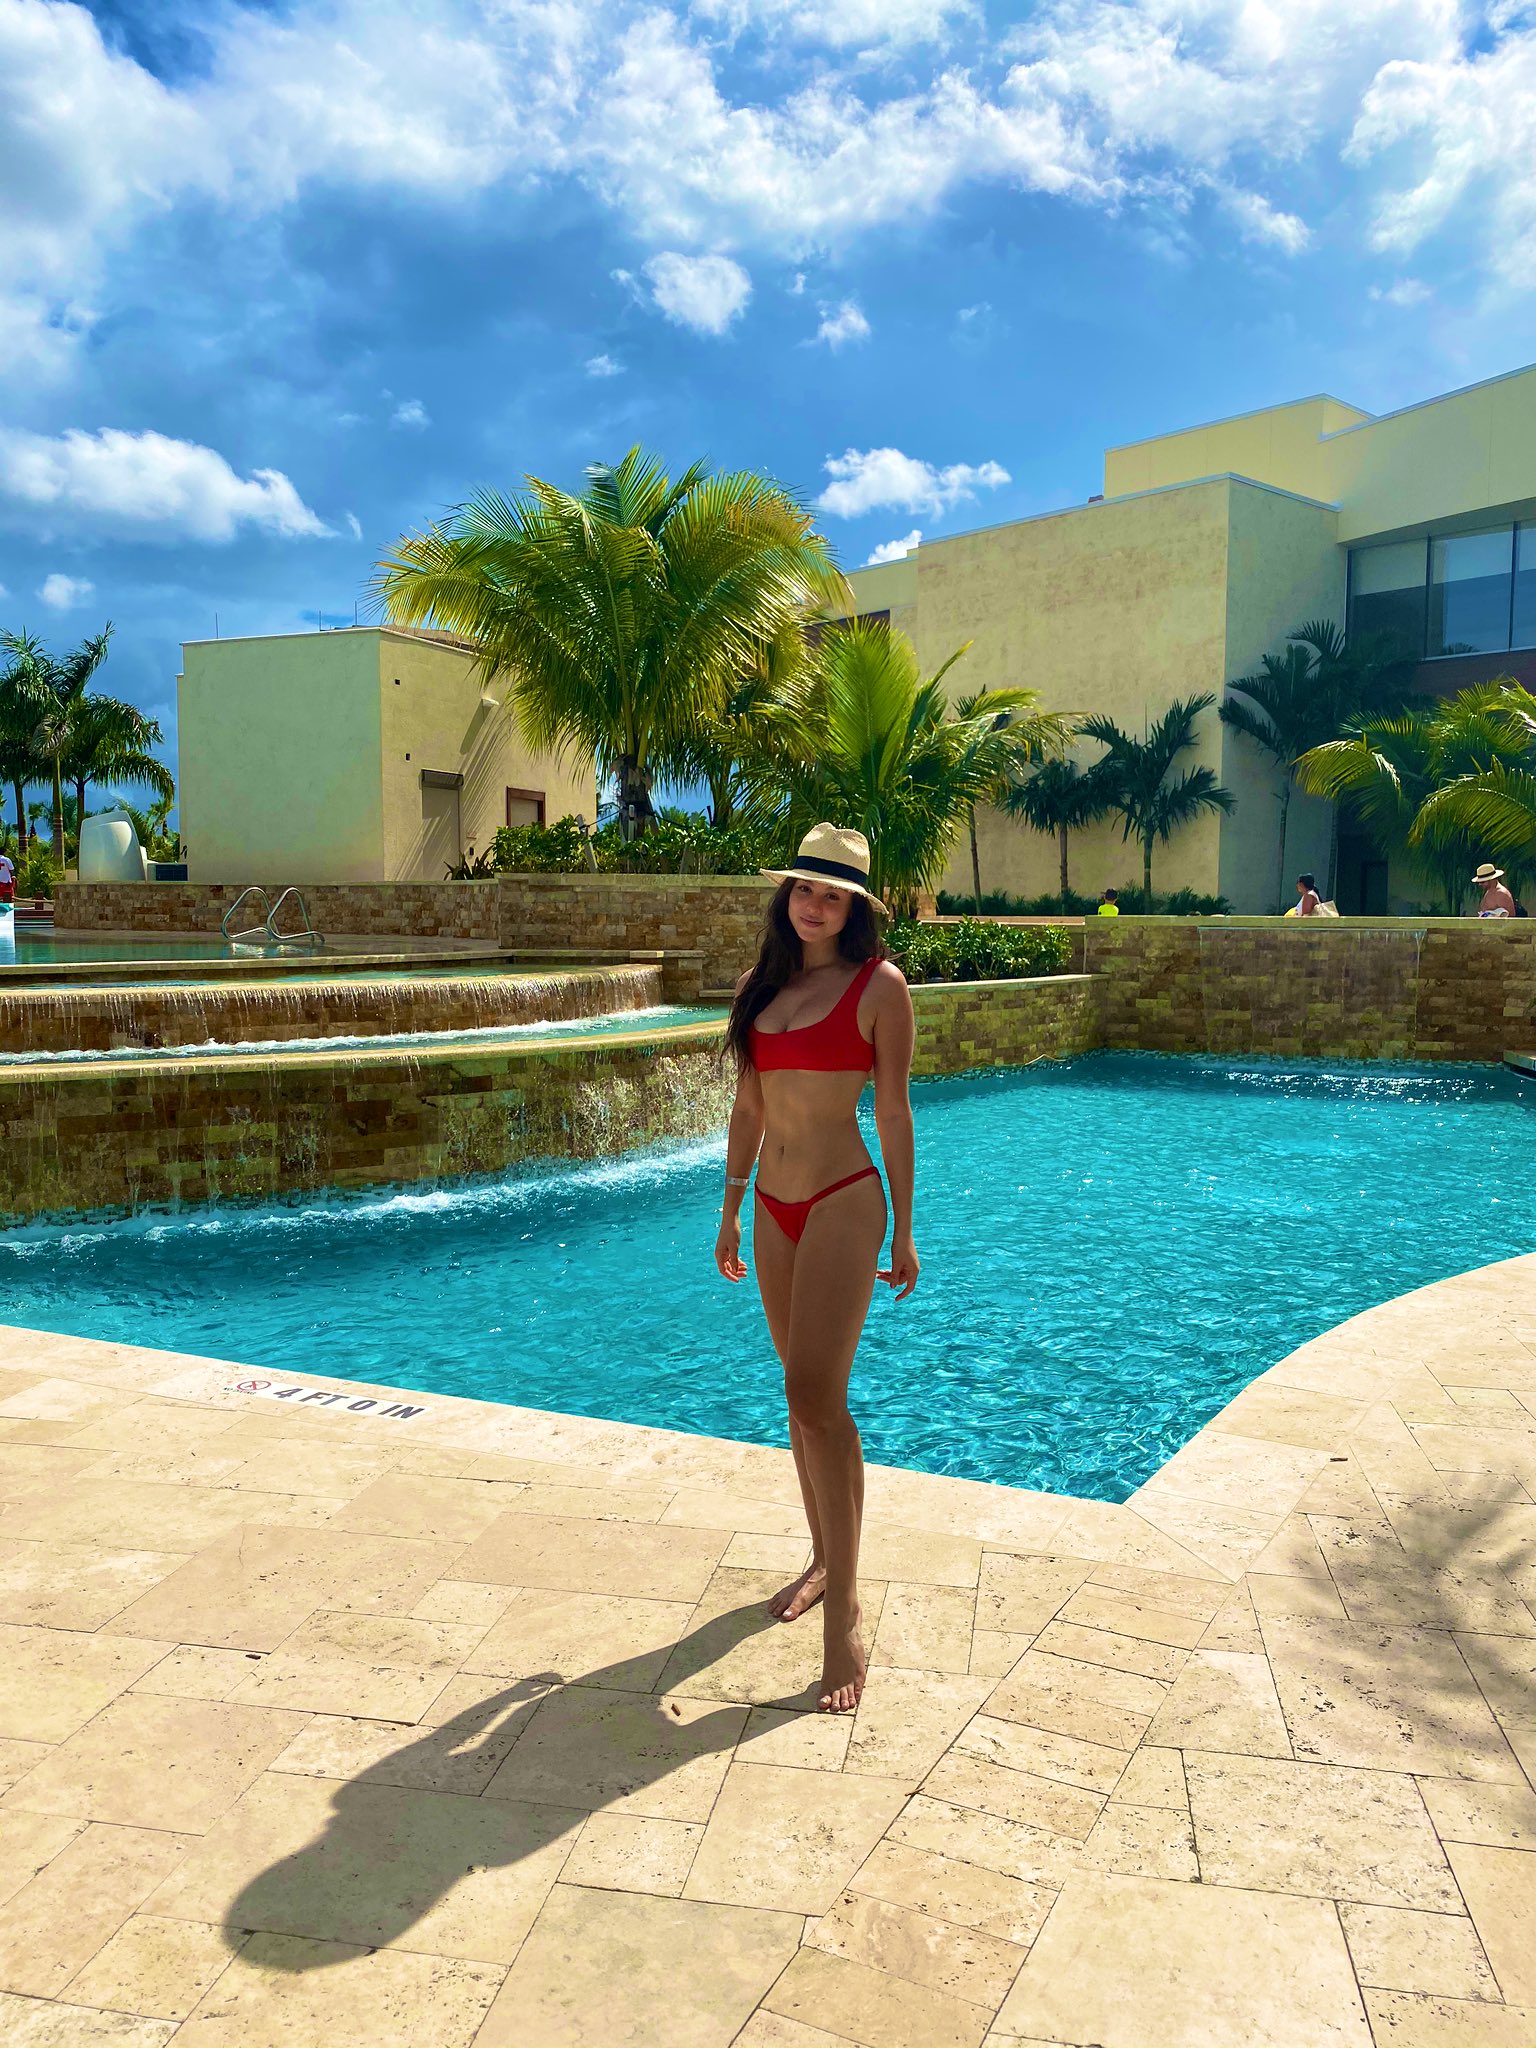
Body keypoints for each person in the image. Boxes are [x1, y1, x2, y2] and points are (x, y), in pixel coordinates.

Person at [716, 823, 918, 1714]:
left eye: (833, 896)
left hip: (842, 1197)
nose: (815, 905)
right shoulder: (759, 988)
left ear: (854, 909)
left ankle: (845, 1612)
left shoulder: (880, 988)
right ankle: (823, 1558)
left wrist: (904, 1228)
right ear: (786, 896)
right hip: (771, 1205)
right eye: (805, 889)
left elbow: (896, 1112)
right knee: (797, 1399)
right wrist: (730, 1206)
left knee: (815, 1397)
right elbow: (748, 1107)